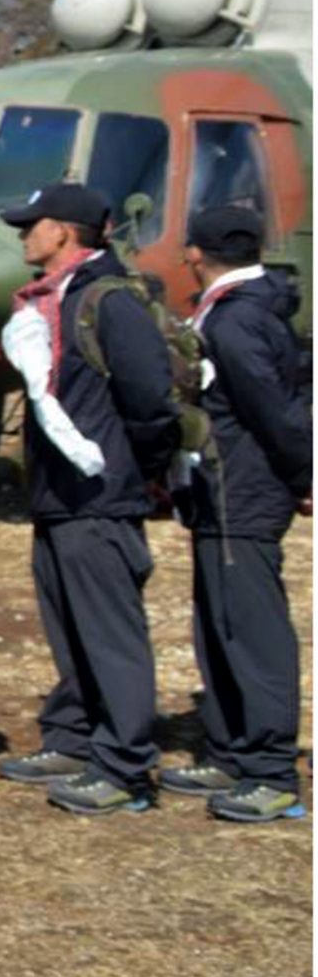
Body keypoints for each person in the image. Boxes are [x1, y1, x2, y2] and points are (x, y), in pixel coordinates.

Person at [0, 183, 178, 816]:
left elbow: (151, 399)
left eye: (30, 225)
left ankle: (126, 765)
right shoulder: (56, 300)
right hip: (59, 498)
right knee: (69, 628)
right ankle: (73, 737)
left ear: (64, 232)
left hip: (100, 497)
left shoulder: (107, 301)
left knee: (110, 633)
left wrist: (138, 473)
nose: (22, 236)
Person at [166, 202, 312, 824]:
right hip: (225, 494)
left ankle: (272, 771)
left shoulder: (233, 323)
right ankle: (230, 748)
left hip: (242, 492)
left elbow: (272, 410)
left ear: (196, 253)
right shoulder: (251, 309)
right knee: (218, 623)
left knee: (251, 630)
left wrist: (304, 474)